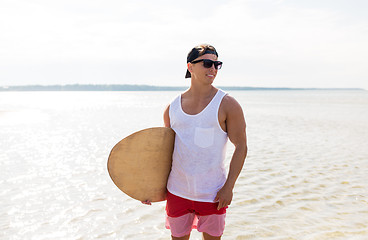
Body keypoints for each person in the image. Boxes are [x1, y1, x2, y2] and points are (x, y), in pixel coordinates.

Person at [145, 44, 247, 240]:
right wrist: (147, 187)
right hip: (177, 192)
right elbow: (164, 153)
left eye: (217, 64)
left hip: (213, 194)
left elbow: (241, 146)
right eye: (208, 63)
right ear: (190, 67)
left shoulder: (227, 104)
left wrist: (229, 187)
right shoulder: (172, 107)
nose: (213, 69)